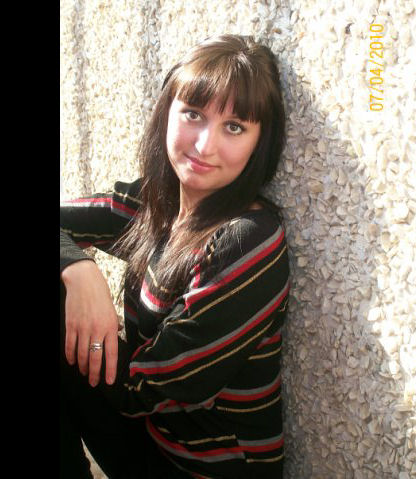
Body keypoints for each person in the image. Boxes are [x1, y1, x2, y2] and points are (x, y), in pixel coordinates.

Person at [60, 34, 290, 479]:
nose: (204, 145)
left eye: (234, 127)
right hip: (149, 439)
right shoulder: (156, 205)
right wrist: (80, 270)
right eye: (193, 114)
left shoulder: (249, 242)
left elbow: (151, 387)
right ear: (167, 110)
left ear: (260, 143)